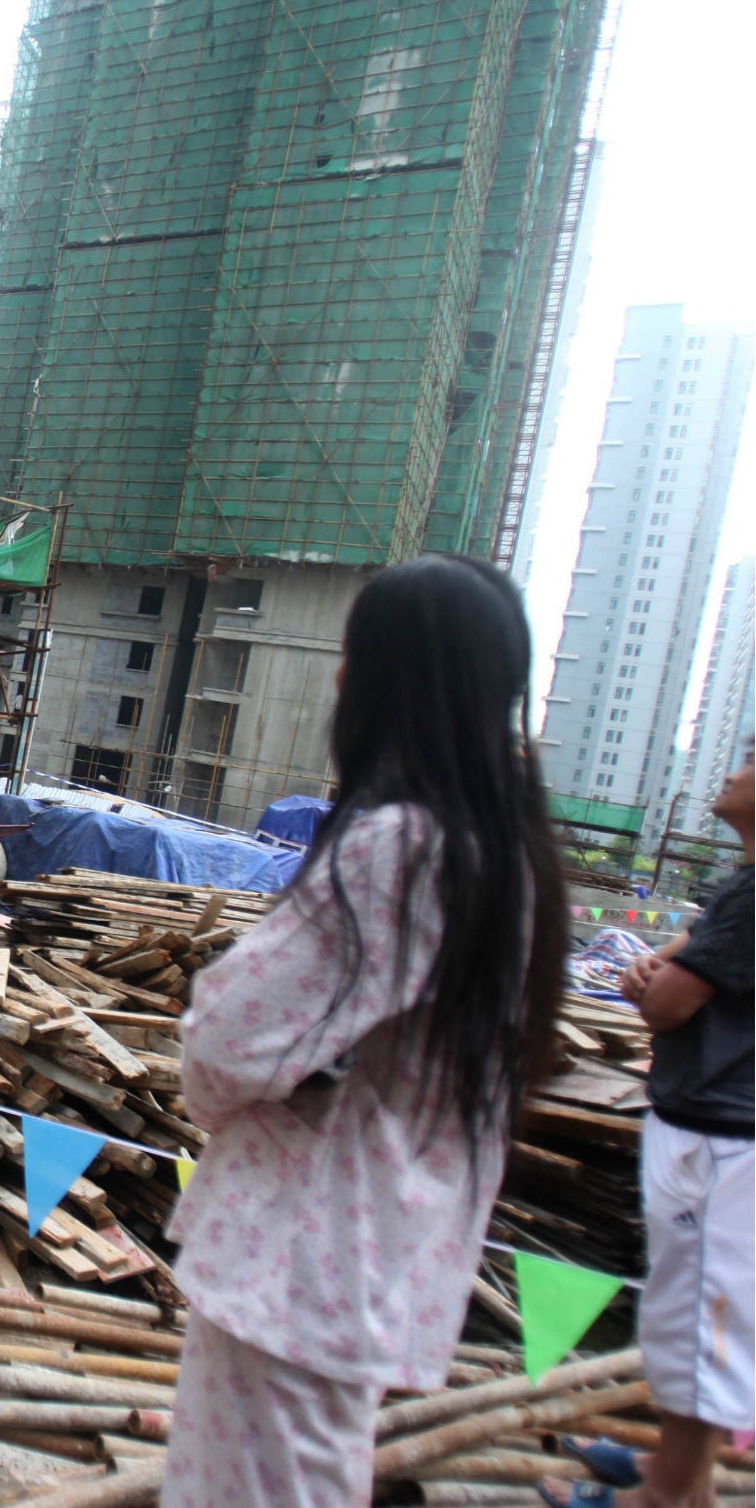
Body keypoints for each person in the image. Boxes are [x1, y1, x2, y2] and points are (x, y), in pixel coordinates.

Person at [161, 555, 567, 1508]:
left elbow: (226, 1040)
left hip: (303, 1262)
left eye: (353, 653)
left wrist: (231, 1076)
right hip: (374, 1248)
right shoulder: (507, 857)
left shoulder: (403, 850)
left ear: (391, 679)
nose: (339, 678)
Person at [541, 752, 752, 1508]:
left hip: (722, 1136)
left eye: (753, 762)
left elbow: (666, 1003)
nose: (735, 772)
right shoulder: (739, 894)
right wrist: (657, 974)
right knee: (694, 1309)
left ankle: (666, 1496)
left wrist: (657, 983)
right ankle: (678, 1475)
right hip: (716, 1128)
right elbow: (673, 962)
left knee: (703, 1317)